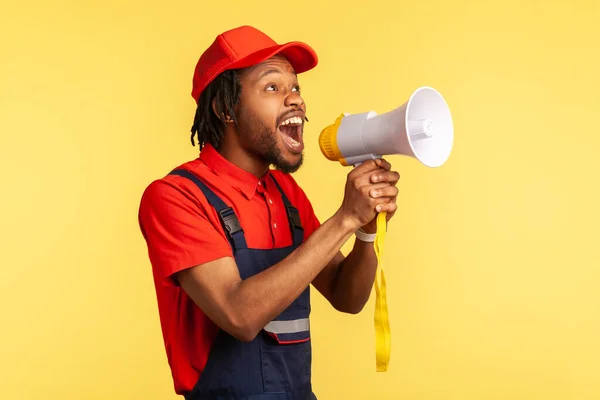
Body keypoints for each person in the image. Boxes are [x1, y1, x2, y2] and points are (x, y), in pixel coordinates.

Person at [138, 25, 400, 400]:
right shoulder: (176, 197)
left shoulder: (287, 194)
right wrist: (344, 218)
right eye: (273, 87)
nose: (295, 100)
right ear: (225, 108)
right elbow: (238, 316)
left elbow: (347, 297)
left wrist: (365, 230)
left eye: (295, 87)